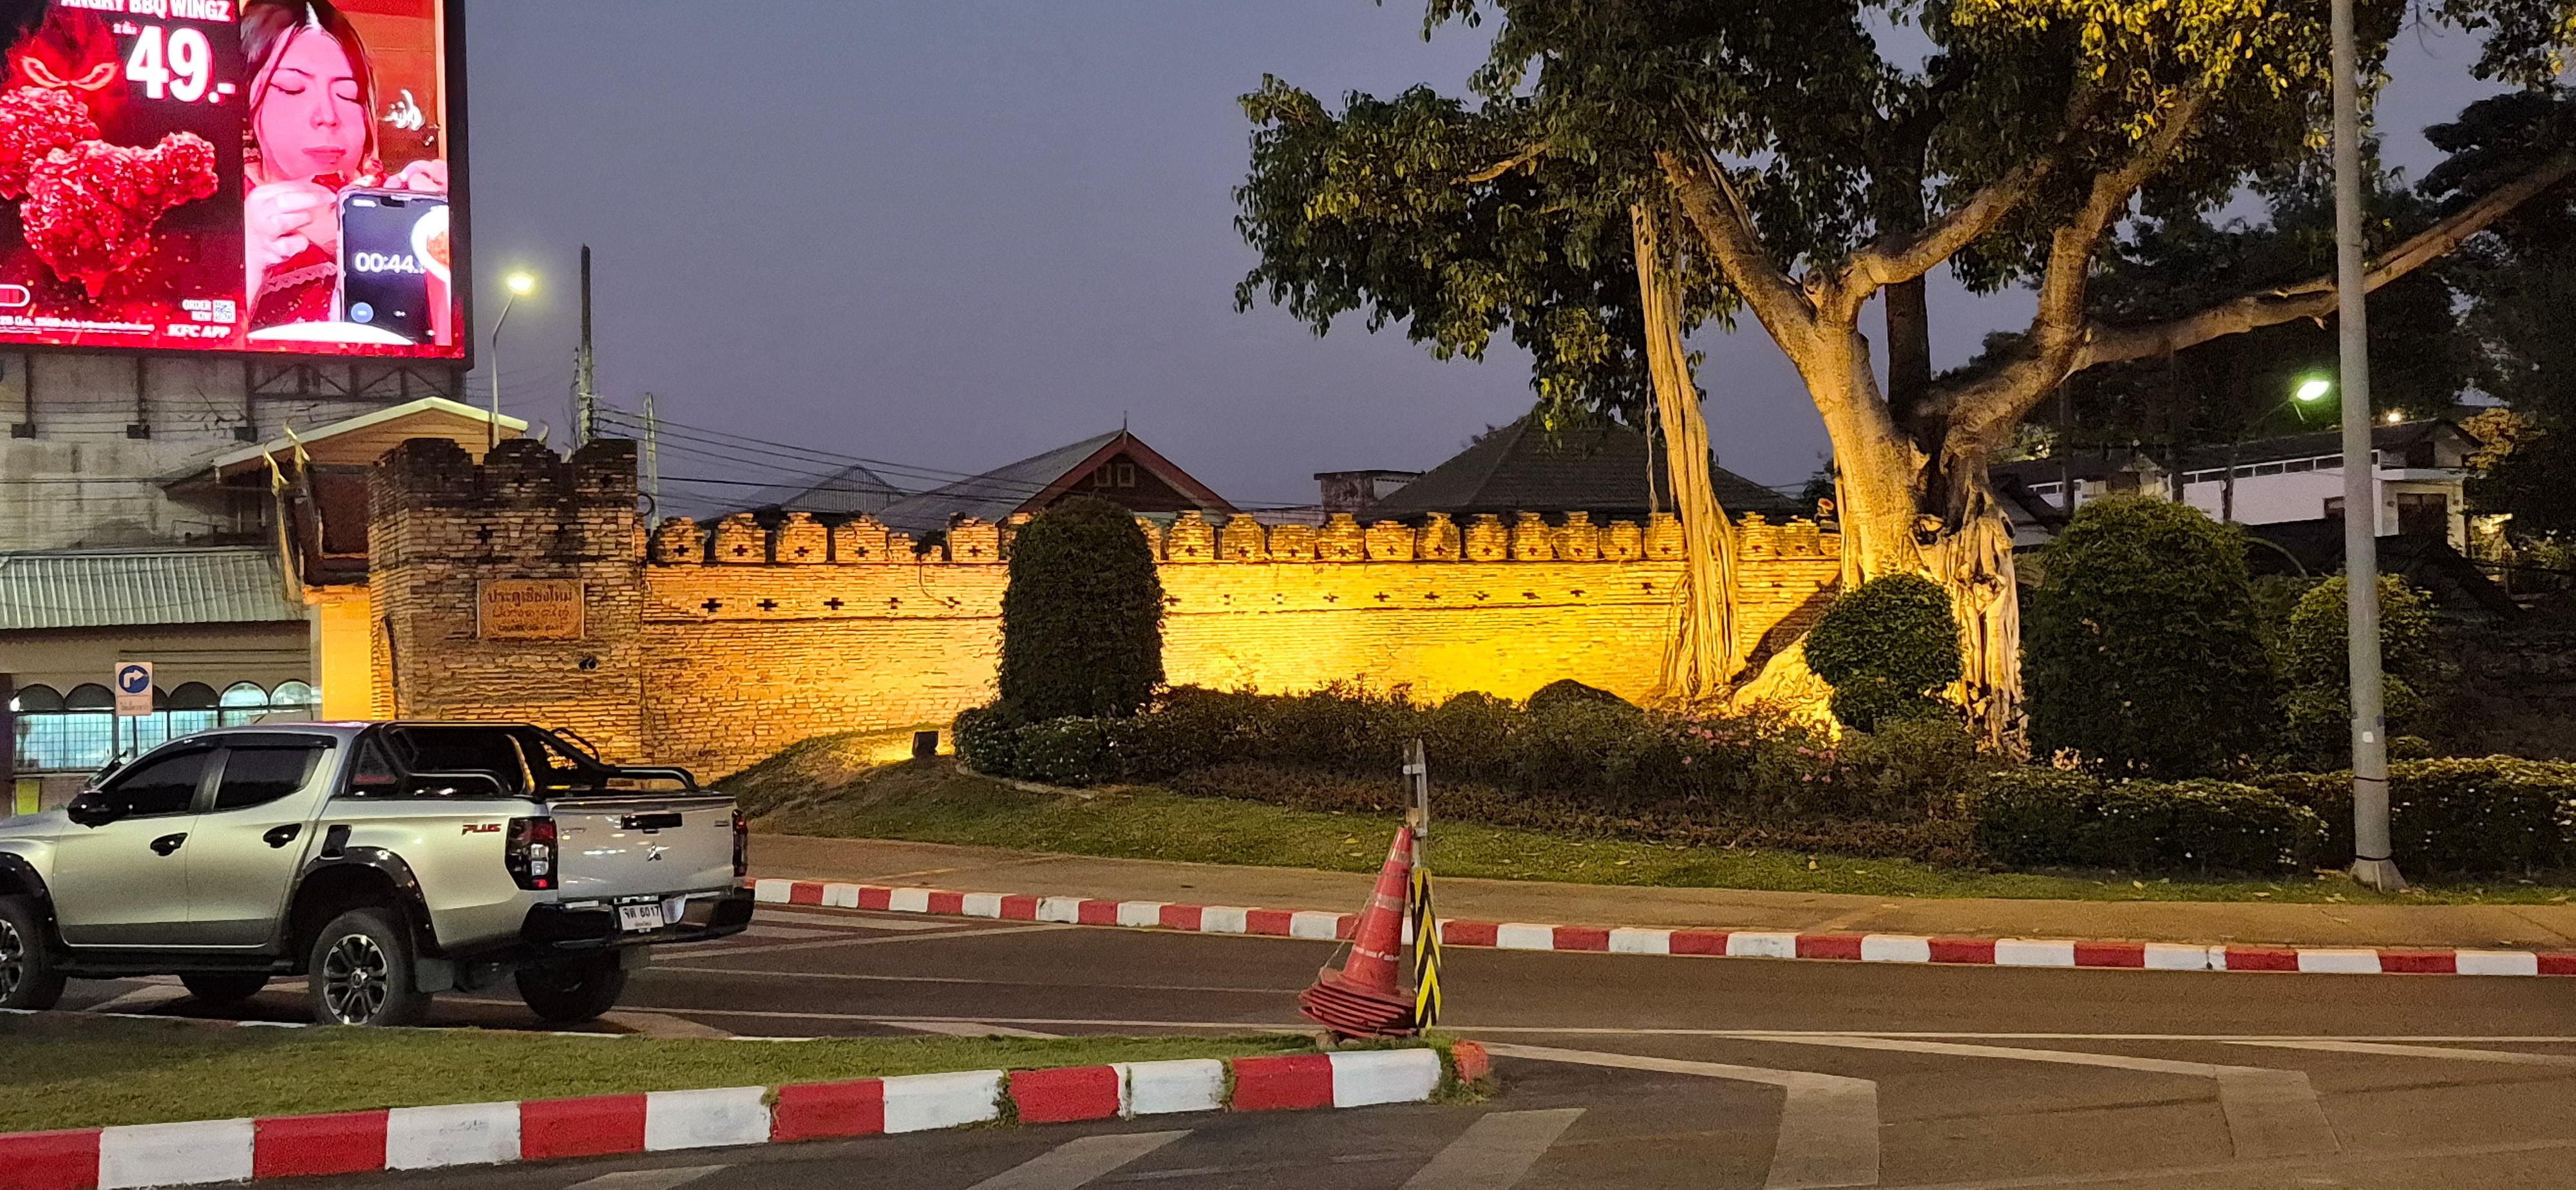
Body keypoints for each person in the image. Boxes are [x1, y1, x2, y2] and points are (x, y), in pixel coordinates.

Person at [241, 0, 442, 330]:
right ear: (247, 98)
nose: (328, 116)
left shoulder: (404, 200)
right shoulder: (209, 214)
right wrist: (245, 262)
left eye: (349, 95)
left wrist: (448, 235)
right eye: (292, 88)